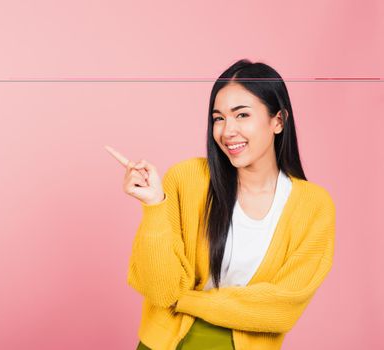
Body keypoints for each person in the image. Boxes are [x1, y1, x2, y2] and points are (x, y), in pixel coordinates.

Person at [105, 58, 336, 350]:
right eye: (218, 118)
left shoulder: (313, 206)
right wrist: (154, 205)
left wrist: (186, 299)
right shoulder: (187, 179)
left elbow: (280, 309)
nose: (227, 131)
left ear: (278, 121)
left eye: (242, 115)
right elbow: (161, 291)